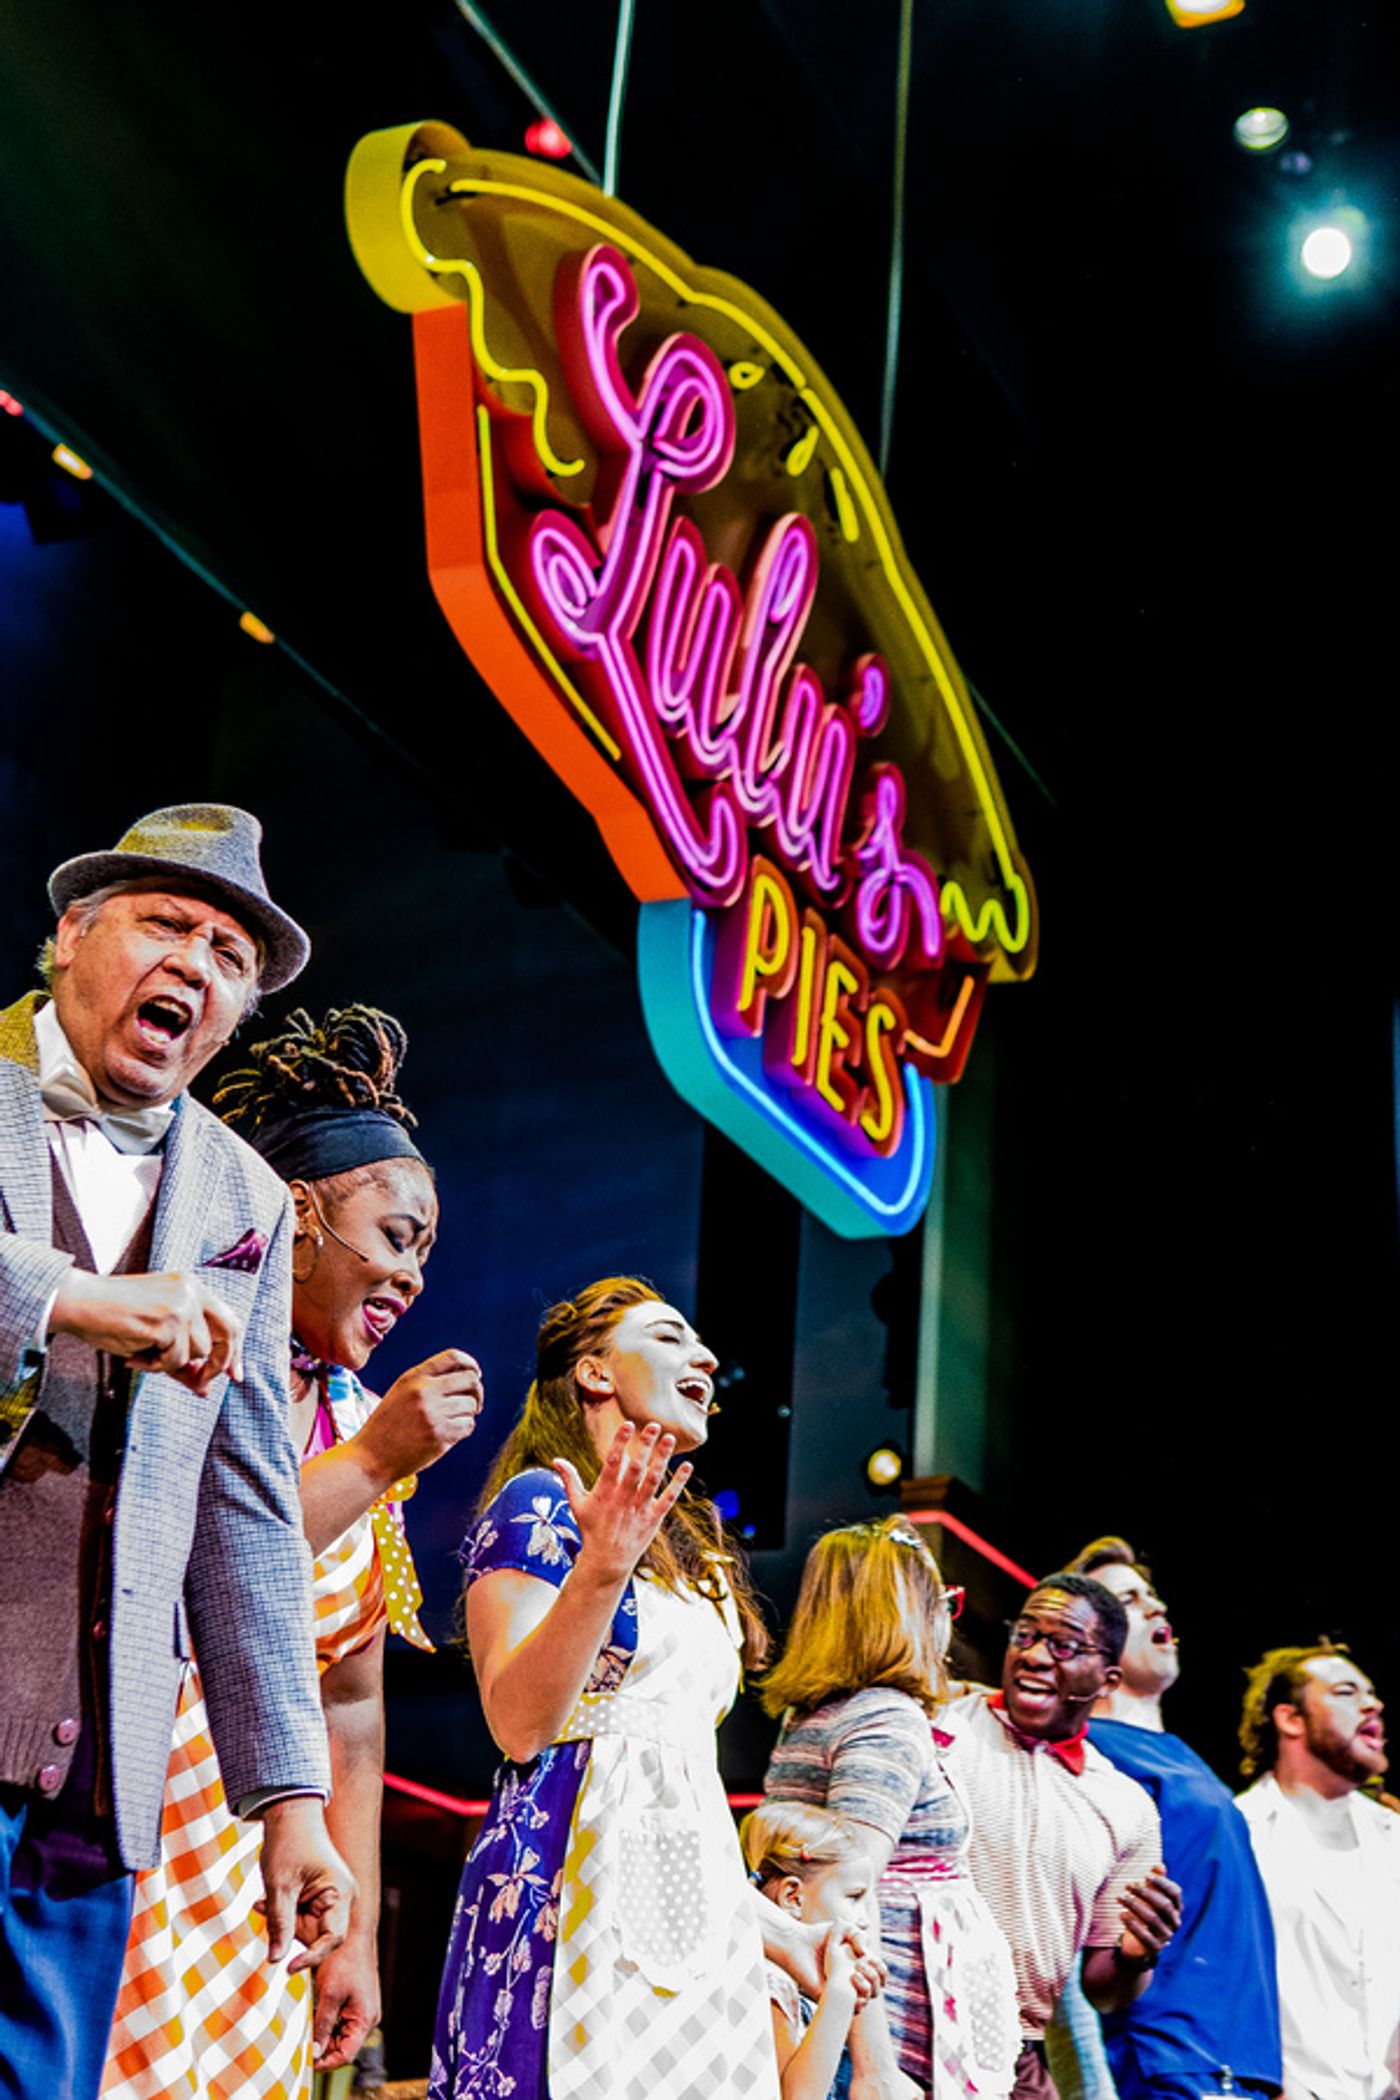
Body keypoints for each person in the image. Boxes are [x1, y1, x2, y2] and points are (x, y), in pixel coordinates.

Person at [0, 804, 352, 2100]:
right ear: (71, 934)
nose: (199, 965)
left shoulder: (245, 1200)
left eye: (231, 955)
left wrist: (290, 1801)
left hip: (95, 1762)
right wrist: (59, 1298)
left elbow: (249, 1511)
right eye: (168, 923)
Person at [102, 1004, 485, 2098]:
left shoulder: (359, 1415)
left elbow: (352, 1712)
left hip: (263, 1867)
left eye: (425, 1253)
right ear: (299, 1219)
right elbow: (166, 1581)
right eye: (397, 1238)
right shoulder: (180, 1348)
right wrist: (373, 1458)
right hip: (130, 1816)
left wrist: (353, 1928)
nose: (412, 1279)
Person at [429, 1276, 789, 2100]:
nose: (702, 1355)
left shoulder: (694, 1553)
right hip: (571, 1869)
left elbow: (679, 1778)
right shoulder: (540, 1503)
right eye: (668, 1336)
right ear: (594, 1372)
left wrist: (768, 1928)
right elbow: (517, 1724)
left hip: (698, 1904)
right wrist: (600, 1567)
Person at [762, 1515, 1020, 2100]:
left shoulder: (815, 1715)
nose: (945, 1621)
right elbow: (844, 1894)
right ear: (906, 1612)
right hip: (880, 2034)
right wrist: (876, 2065)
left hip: (834, 2024)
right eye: (941, 1602)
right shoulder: (886, 1720)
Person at [1043, 1537, 1280, 2100]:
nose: (1156, 1608)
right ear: (1085, 1646)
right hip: (1164, 2060)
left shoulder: (1176, 1755)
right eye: (1127, 1600)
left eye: (1152, 1595)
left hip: (1231, 2064)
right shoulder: (1093, 1754)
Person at [940, 1572, 1182, 2100]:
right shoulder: (940, 1730)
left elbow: (1105, 1989)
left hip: (1015, 2054)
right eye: (1024, 1635)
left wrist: (1138, 1953)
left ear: (1108, 1680)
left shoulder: (1125, 1806)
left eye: (1064, 1645)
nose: (1033, 1655)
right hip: (905, 2026)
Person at [1236, 1641, 1400, 2100]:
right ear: (1290, 1719)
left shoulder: (1394, 1838)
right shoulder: (1239, 1836)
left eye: (1371, 1693)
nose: (1373, 1704)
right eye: (1347, 1692)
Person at [741, 1800, 878, 2100]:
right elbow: (798, 2095)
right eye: (853, 1897)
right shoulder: (772, 1983)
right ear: (793, 1897)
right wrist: (840, 1993)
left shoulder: (797, 1981)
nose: (864, 1920)